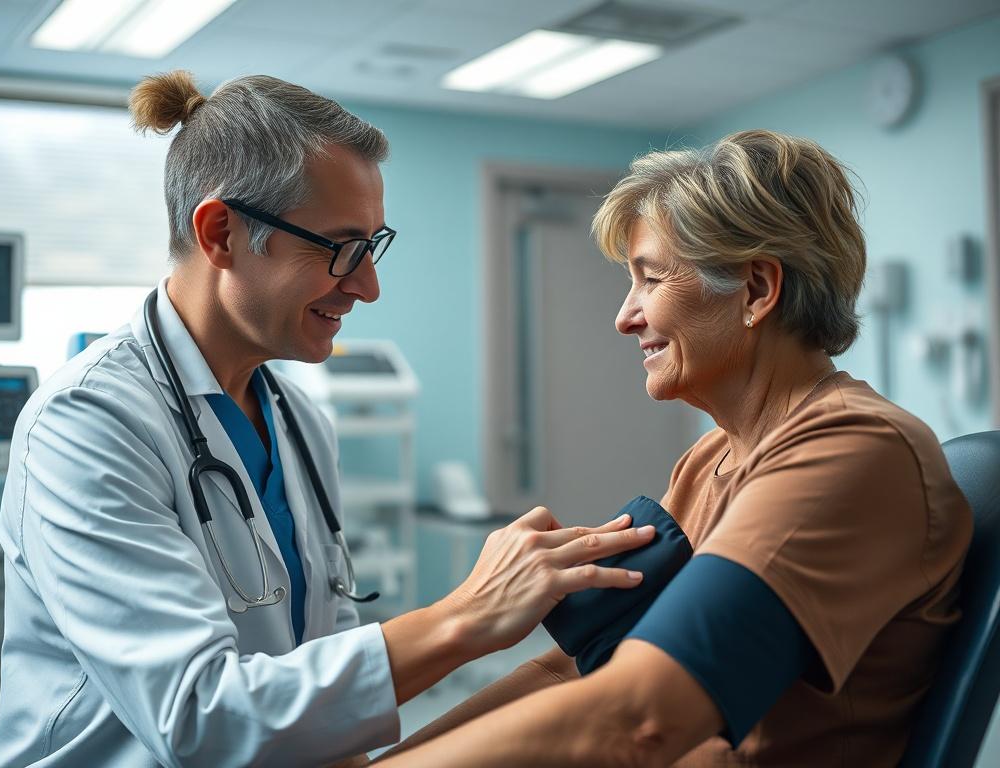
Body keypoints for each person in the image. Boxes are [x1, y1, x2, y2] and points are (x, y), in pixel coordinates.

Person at [0, 71, 657, 768]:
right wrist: (467, 616)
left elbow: (321, 670)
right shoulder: (86, 426)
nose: (367, 285)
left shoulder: (298, 420)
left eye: (372, 246)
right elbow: (197, 717)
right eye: (340, 249)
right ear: (220, 234)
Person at [371, 130, 973, 767]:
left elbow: (639, 720)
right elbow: (572, 672)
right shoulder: (711, 460)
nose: (625, 317)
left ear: (756, 290)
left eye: (650, 280)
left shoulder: (855, 450)